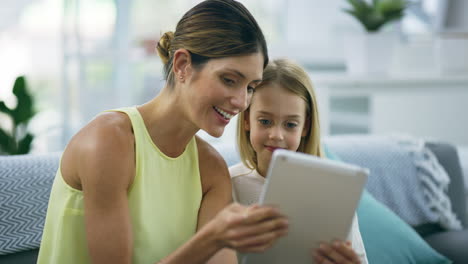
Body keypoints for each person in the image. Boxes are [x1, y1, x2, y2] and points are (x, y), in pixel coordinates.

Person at [37, 1, 289, 263]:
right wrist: (210, 240)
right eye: (229, 80)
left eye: (250, 87)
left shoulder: (211, 169)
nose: (241, 102)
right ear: (182, 65)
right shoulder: (109, 142)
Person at [230, 58, 368, 264]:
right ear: (247, 120)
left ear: (305, 127)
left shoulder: (333, 191)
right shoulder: (227, 184)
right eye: (265, 121)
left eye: (290, 124)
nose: (276, 135)